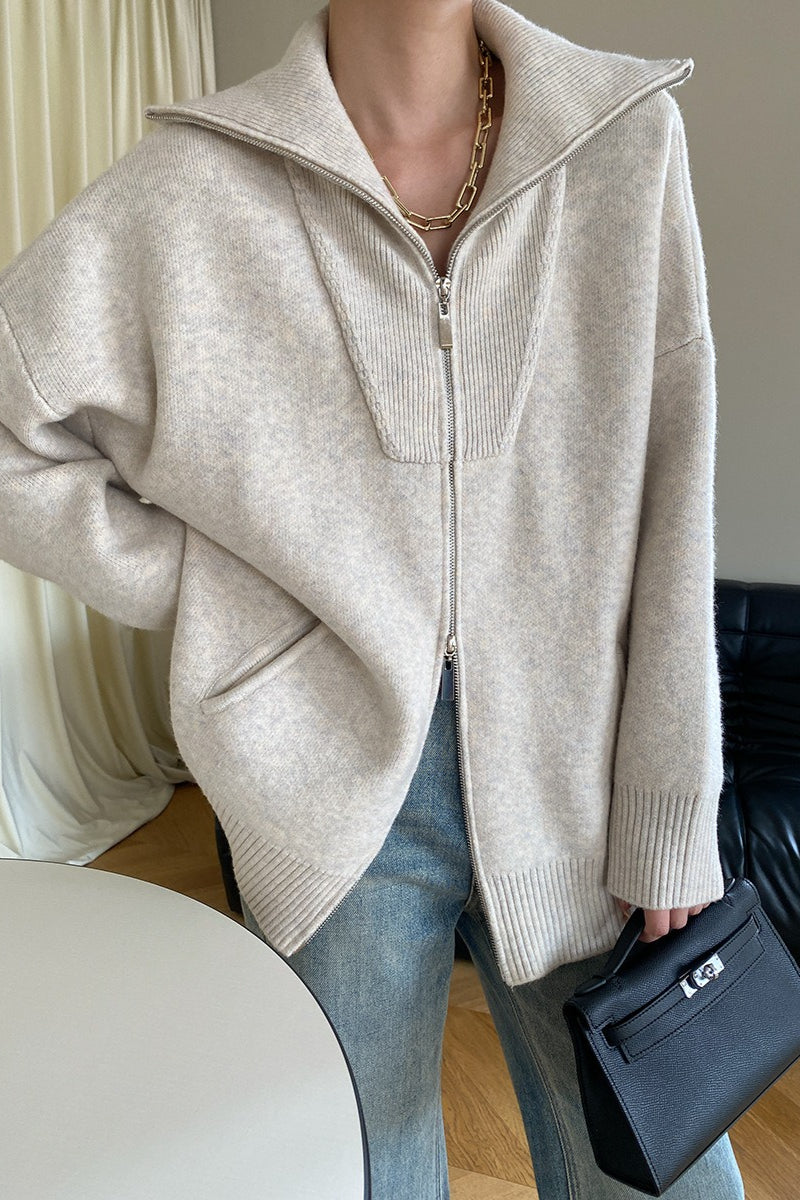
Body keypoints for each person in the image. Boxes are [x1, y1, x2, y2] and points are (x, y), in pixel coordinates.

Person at [0, 0, 745, 1196]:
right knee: (358, 1171)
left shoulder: (620, 140)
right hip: (322, 783)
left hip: (583, 778)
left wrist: (672, 804)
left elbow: (673, 487)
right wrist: (211, 588)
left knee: (665, 1179)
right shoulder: (197, 184)